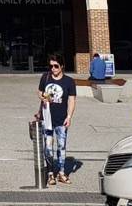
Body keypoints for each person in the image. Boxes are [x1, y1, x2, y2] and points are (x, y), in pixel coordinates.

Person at [36, 53, 76, 185]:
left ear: (62, 66)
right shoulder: (45, 77)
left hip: (61, 119)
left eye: (56, 66)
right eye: (51, 66)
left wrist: (69, 116)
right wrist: (43, 96)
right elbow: (39, 91)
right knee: (48, 147)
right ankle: (50, 173)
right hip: (46, 118)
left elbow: (71, 100)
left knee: (61, 146)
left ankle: (62, 173)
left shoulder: (69, 81)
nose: (53, 68)